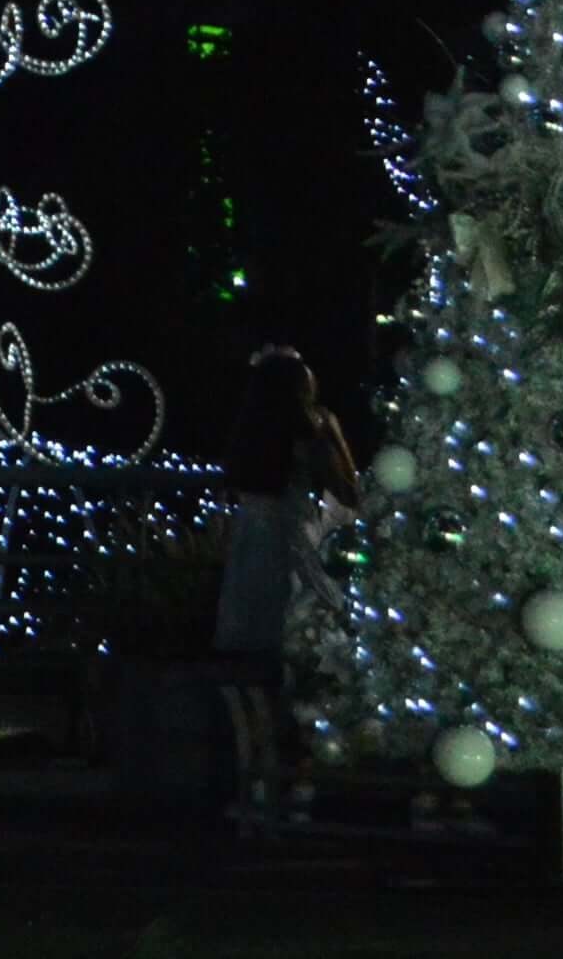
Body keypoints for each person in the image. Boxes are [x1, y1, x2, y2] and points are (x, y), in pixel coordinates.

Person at [214, 341, 360, 831]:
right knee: (304, 667)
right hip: (295, 547)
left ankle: (255, 784)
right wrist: (335, 436)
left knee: (250, 670)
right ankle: (300, 786)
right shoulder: (311, 432)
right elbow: (348, 491)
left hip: (250, 553)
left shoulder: (248, 436)